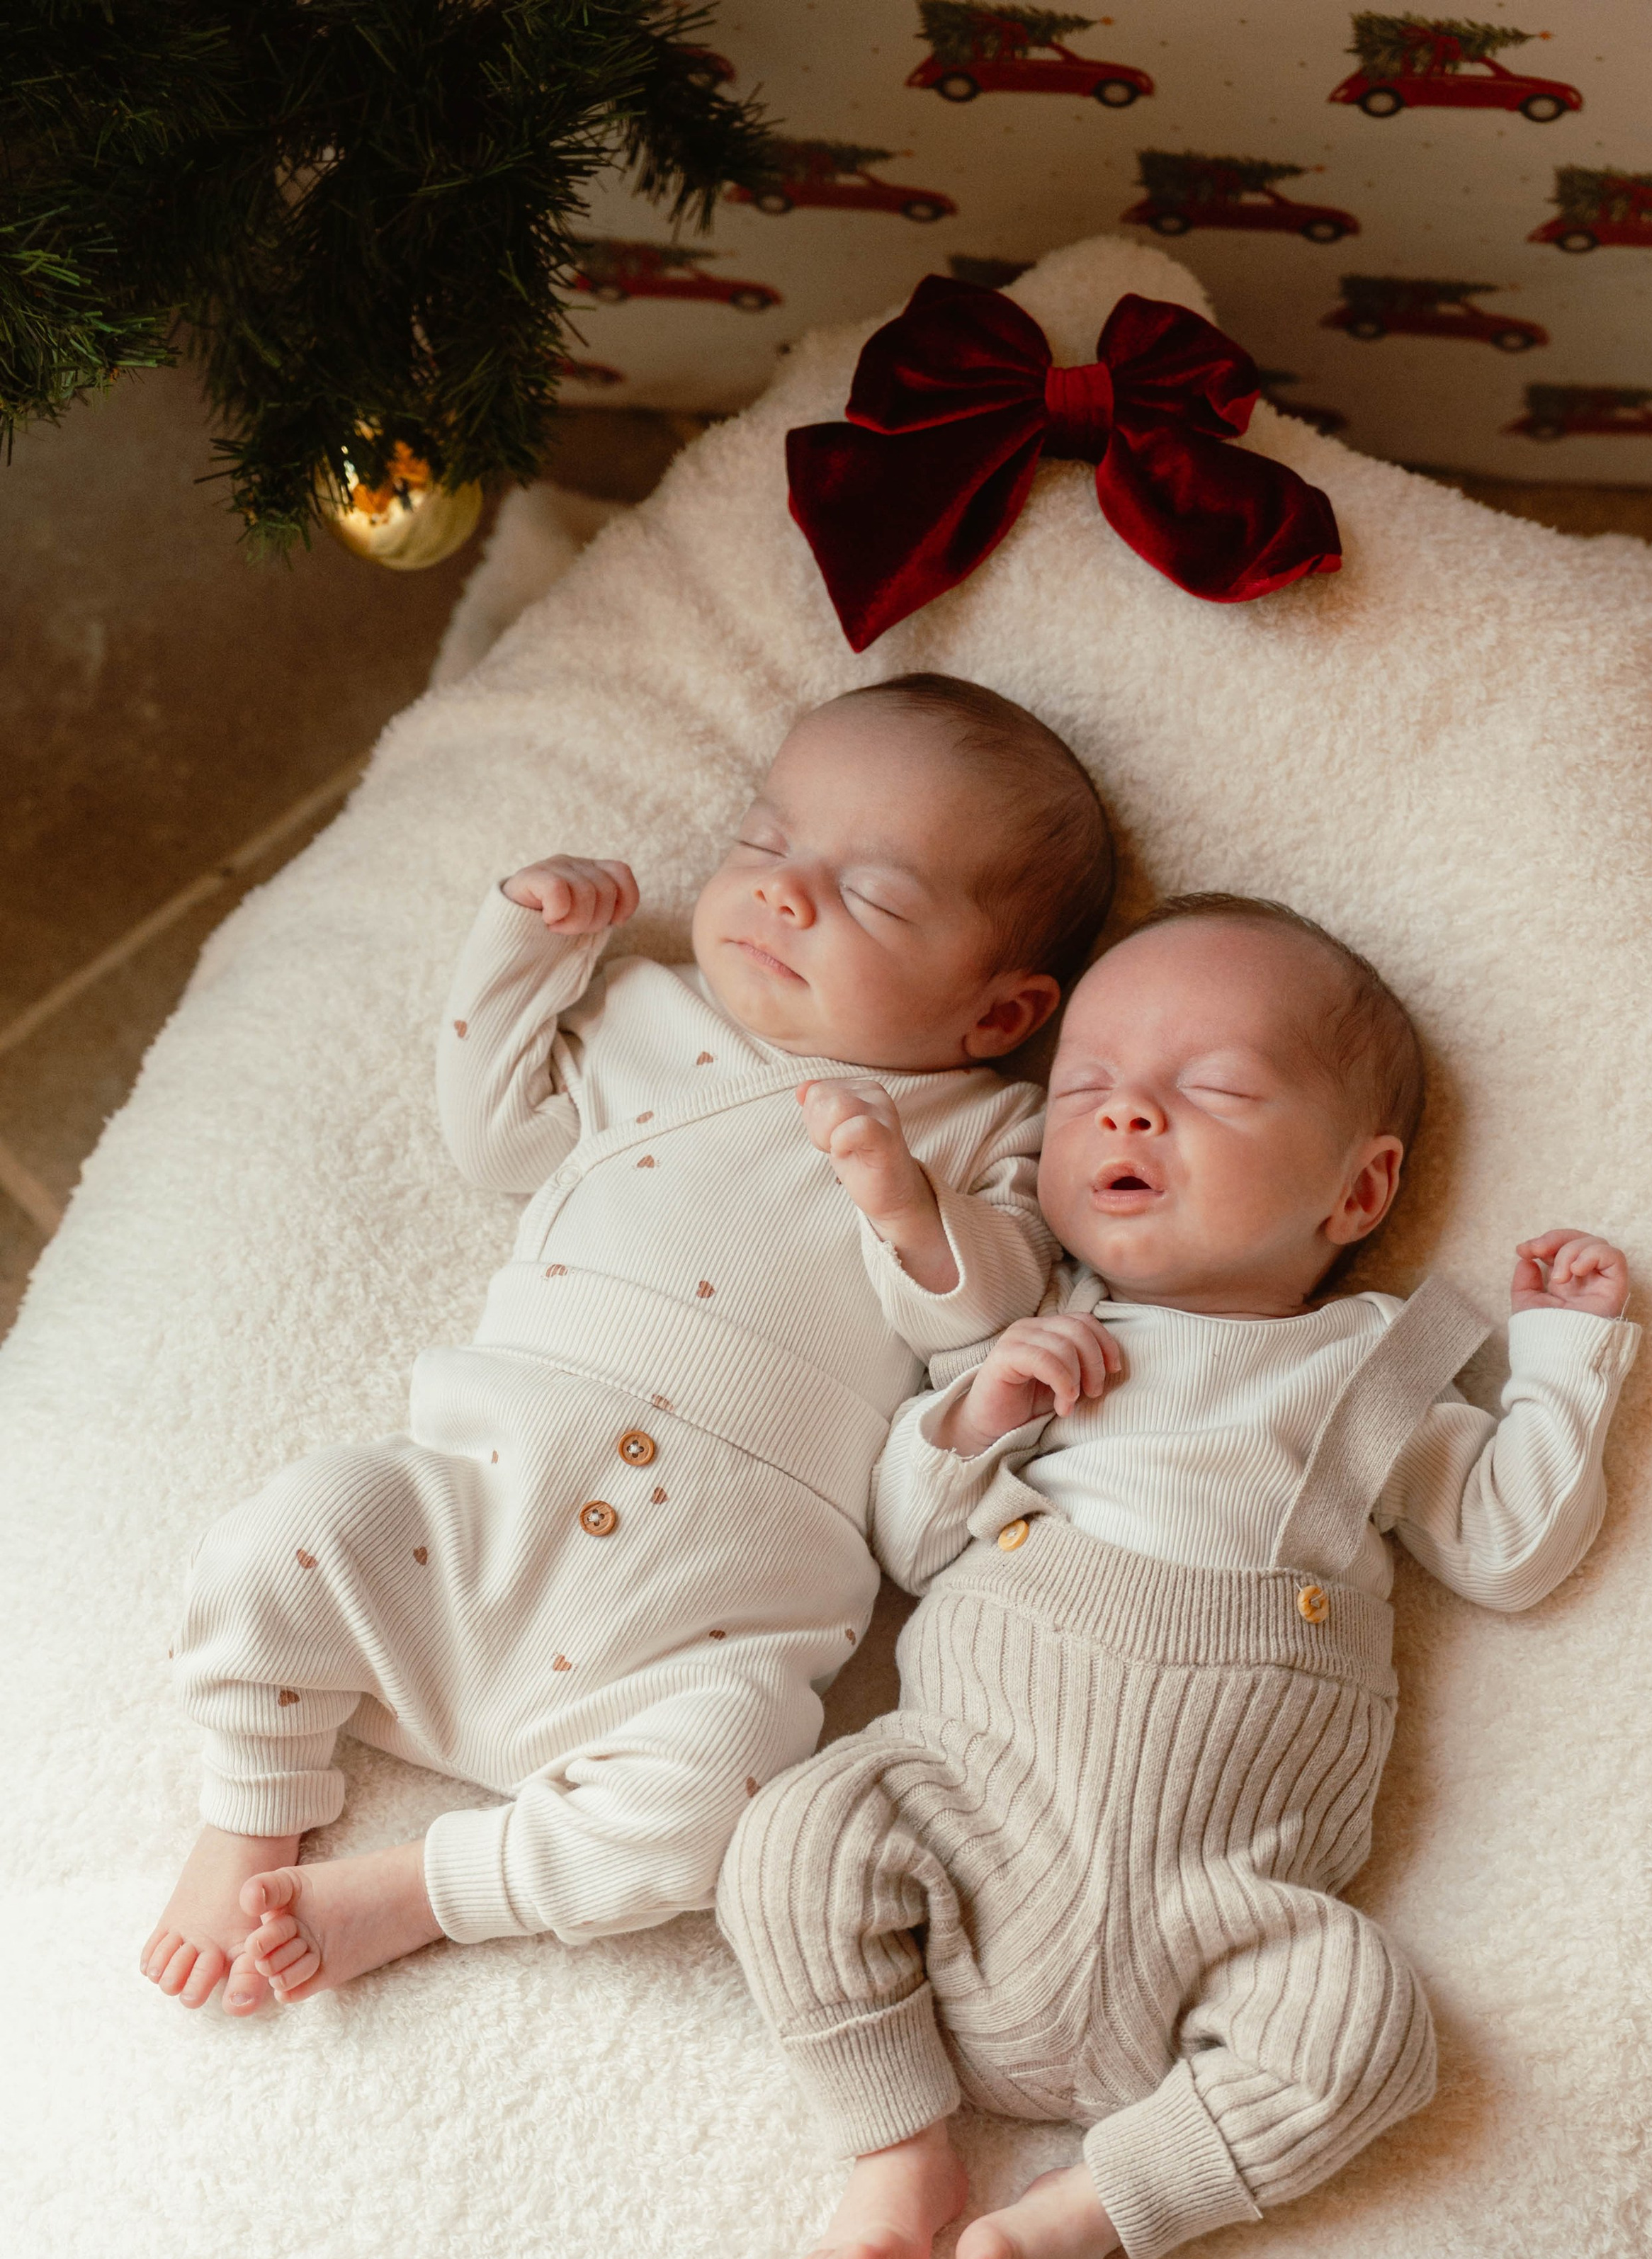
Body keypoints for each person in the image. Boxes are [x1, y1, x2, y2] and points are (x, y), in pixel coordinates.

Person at [718, 892, 1639, 2259]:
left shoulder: (1367, 1373)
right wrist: (976, 1410)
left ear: (1356, 1191)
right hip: (963, 1822)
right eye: (1084, 1089)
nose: (1125, 1116)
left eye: (1204, 1089)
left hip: (1226, 1912)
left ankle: (1090, 2209)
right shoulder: (1038, 1329)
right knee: (792, 1836)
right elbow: (904, 1541)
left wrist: (1562, 1365)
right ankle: (894, 2139)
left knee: (1367, 2032)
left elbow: (1512, 1549)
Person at [140, 674, 1116, 2014]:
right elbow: (496, 1138)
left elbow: (988, 1313)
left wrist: (906, 1201)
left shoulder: (980, 1134)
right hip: (474, 1518)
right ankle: (250, 1807)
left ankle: (428, 1889)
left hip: (705, 1616)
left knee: (733, 1802)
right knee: (287, 1537)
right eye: (767, 846)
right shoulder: (643, 1017)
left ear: (1002, 1015)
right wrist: (523, 951)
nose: (785, 894)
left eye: (876, 896)